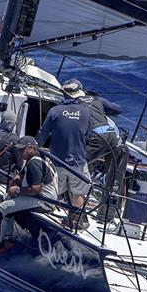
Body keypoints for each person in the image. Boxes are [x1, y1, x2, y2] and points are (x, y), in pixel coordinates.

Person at [0, 136, 58, 256]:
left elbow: (36, 189)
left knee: (0, 209)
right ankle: (8, 239)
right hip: (39, 198)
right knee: (4, 198)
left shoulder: (34, 163)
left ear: (31, 148)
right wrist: (17, 178)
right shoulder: (36, 158)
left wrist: (17, 190)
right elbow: (24, 172)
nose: (19, 152)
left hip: (43, 202)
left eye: (21, 149)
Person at [65, 78, 128, 219]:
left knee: (74, 169)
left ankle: (78, 216)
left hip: (96, 140)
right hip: (113, 137)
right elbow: (117, 109)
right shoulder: (96, 99)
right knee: (113, 175)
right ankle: (109, 212)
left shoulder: (69, 105)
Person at [35, 81, 92, 227]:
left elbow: (43, 134)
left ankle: (48, 215)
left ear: (64, 94)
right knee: (78, 193)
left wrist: (35, 148)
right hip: (78, 163)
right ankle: (76, 220)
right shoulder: (86, 112)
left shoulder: (55, 111)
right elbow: (88, 135)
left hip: (57, 161)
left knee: (53, 191)